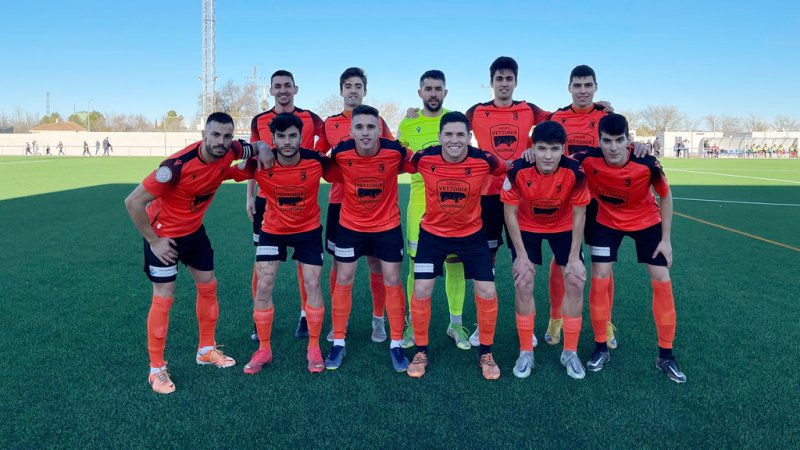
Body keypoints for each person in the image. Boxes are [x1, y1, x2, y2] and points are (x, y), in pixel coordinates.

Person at [123, 112, 259, 394]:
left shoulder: (231, 150)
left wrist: (263, 150)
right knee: (163, 297)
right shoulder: (175, 167)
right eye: (215, 135)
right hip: (164, 236)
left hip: (194, 232)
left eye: (227, 136)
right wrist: (154, 241)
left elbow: (254, 148)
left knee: (209, 286)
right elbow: (133, 202)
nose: (221, 141)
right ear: (203, 135)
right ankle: (156, 369)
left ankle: (206, 350)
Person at [573, 113, 686, 383]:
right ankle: (601, 347)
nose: (613, 147)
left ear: (628, 140)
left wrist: (666, 240)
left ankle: (666, 355)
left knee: (661, 280)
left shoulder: (647, 162)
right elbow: (553, 158)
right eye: (607, 141)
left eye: (619, 140)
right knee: (599, 278)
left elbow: (666, 195)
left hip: (646, 221)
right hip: (606, 222)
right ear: (599, 141)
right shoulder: (586, 159)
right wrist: (530, 152)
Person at [228, 113, 339, 374]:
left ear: (301, 137)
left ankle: (314, 347)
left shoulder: (316, 161)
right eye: (281, 136)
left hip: (308, 231)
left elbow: (348, 171)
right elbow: (223, 169)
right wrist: (256, 147)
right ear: (273, 139)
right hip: (273, 230)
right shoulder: (260, 163)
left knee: (313, 285)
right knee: (263, 286)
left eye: (292, 136)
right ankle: (264, 349)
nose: (287, 141)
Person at [404, 112, 507, 380]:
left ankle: (486, 353)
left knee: (487, 289)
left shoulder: (484, 160)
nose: (454, 140)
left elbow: (508, 168)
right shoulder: (424, 158)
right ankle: (421, 351)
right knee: (421, 288)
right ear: (439, 137)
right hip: (432, 235)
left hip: (471, 235)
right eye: (448, 134)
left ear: (469, 137)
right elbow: (399, 160)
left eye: (460, 134)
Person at [502, 121, 590, 380]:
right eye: (541, 148)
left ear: (564, 149)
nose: (548, 155)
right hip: (526, 226)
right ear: (533, 148)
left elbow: (580, 214)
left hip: (563, 226)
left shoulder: (576, 171)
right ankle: (525, 351)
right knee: (524, 281)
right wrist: (521, 256)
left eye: (554, 149)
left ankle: (570, 352)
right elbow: (510, 213)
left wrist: (574, 258)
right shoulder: (517, 169)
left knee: (575, 281)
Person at [325, 105, 409, 372]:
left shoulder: (395, 151)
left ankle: (395, 341)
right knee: (344, 278)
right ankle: (339, 340)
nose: (365, 132)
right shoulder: (340, 153)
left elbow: (423, 162)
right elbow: (321, 168)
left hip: (387, 226)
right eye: (359, 127)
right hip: (350, 226)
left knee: (392, 279)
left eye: (371, 127)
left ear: (379, 130)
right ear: (350, 131)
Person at [315, 67, 396, 344]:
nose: (353, 90)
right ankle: (341, 321)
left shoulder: (378, 121)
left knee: (376, 263)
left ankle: (378, 319)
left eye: (357, 86)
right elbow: (317, 157)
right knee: (339, 265)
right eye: (348, 86)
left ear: (364, 90)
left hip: (374, 207)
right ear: (341, 91)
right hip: (340, 203)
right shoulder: (329, 124)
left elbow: (392, 153)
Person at [540, 65, 618, 350]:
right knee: (561, 260)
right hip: (564, 199)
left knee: (602, 265)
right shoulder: (556, 117)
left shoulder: (606, 116)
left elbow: (621, 147)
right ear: (569, 88)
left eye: (588, 85)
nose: (583, 90)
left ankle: (605, 321)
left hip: (599, 201)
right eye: (577, 85)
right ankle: (555, 318)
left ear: (596, 87)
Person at [247, 69, 325, 341]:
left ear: (295, 89)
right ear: (271, 90)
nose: (283, 90)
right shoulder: (259, 120)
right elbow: (254, 157)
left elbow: (328, 143)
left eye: (287, 85)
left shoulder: (311, 118)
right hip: (266, 198)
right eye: (277, 86)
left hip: (301, 197)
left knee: (306, 265)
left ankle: (305, 314)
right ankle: (258, 317)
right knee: (263, 264)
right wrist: (250, 196)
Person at [396, 70, 470, 350]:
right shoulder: (408, 123)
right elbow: (398, 159)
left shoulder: (454, 120)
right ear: (420, 93)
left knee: (455, 264)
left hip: (454, 207)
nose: (433, 94)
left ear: (445, 92)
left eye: (438, 89)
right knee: (417, 268)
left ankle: (456, 324)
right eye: (428, 89)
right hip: (420, 207)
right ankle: (413, 325)